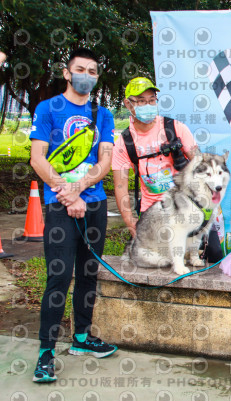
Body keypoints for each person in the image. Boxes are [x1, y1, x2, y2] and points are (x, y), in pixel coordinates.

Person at [30, 48, 117, 382]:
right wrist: (65, 192)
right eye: (80, 69)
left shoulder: (103, 114)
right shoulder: (47, 108)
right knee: (59, 275)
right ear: (67, 73)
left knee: (88, 273)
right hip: (59, 204)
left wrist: (79, 188)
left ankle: (82, 336)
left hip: (94, 202)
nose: (86, 76)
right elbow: (38, 158)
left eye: (92, 71)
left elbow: (105, 160)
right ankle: (46, 352)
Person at [111, 77, 200, 237]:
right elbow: (120, 186)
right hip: (151, 212)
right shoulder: (124, 142)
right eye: (141, 101)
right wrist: (130, 222)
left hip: (185, 206)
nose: (148, 105)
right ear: (128, 104)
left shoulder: (175, 128)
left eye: (152, 100)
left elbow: (200, 164)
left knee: (209, 249)